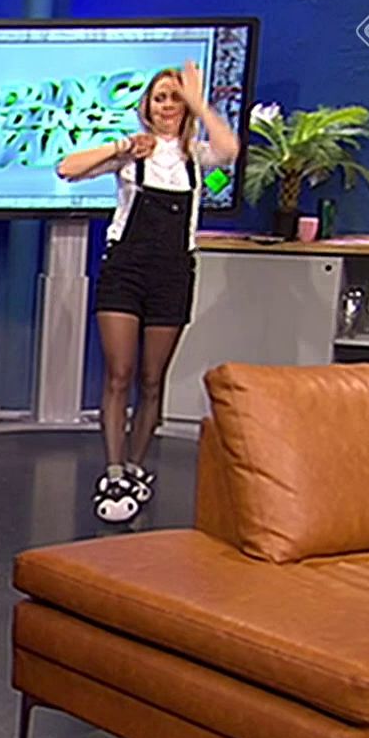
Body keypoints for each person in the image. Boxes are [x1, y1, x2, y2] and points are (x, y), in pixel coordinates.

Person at [56, 60, 240, 524]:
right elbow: (66, 168)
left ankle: (137, 465)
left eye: (175, 98)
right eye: (160, 98)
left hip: (172, 274)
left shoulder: (197, 156)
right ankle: (114, 470)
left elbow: (230, 149)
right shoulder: (132, 153)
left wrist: (200, 103)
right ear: (147, 107)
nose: (167, 106)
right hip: (125, 270)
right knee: (119, 374)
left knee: (152, 379)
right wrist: (121, 146)